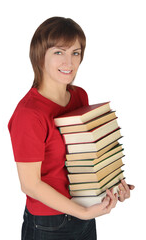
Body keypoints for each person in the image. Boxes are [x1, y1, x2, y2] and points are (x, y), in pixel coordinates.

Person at [8, 17, 135, 240]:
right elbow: (30, 184)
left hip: (84, 212)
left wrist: (112, 187)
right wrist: (83, 212)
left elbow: (87, 155)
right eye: (59, 52)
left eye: (75, 53)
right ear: (40, 56)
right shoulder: (29, 114)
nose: (69, 62)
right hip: (49, 225)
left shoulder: (79, 96)